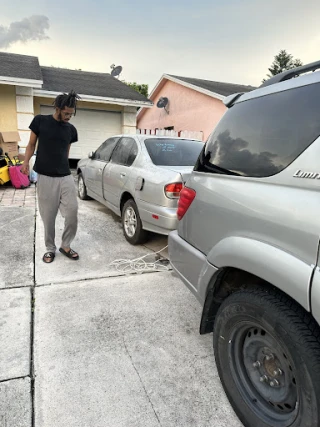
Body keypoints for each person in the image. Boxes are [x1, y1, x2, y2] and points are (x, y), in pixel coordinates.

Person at [21, 91, 81, 263]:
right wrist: (25, 163)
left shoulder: (71, 130)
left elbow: (66, 152)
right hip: (45, 176)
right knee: (48, 216)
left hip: (65, 176)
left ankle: (66, 245)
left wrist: (62, 165)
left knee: (72, 211)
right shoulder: (40, 121)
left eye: (71, 113)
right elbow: (31, 144)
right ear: (57, 108)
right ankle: (50, 248)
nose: (69, 116)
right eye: (66, 113)